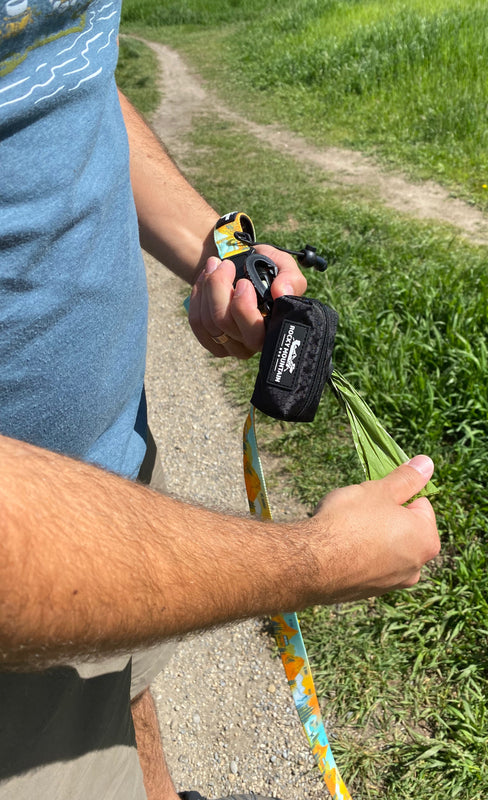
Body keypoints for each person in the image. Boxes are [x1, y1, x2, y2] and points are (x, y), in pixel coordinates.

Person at [0, 2, 440, 799]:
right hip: (27, 587)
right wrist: (319, 560)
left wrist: (222, 249)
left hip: (116, 469)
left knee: (129, 696)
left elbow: (59, 70)